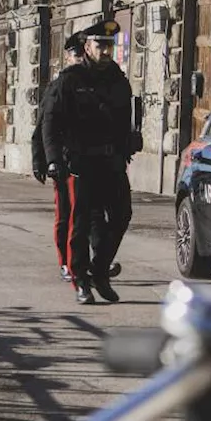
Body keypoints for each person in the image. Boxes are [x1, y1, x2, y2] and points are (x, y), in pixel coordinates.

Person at [41, 19, 137, 305]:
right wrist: (52, 159)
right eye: (100, 46)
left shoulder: (118, 80)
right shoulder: (70, 81)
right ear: (87, 47)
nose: (106, 52)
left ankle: (99, 271)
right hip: (80, 162)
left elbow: (124, 119)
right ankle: (81, 279)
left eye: (110, 46)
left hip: (111, 161)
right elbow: (50, 122)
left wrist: (128, 143)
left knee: (122, 214)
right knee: (79, 224)